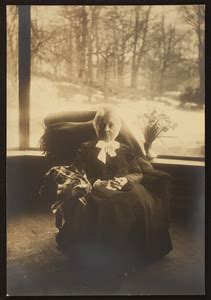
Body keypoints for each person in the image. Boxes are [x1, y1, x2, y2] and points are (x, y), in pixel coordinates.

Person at [54, 106, 173, 265]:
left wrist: (125, 180)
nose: (106, 129)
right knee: (112, 205)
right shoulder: (86, 148)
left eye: (111, 125)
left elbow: (137, 173)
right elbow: (78, 172)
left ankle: (137, 251)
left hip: (125, 187)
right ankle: (108, 256)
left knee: (138, 199)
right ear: (95, 126)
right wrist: (97, 183)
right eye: (101, 125)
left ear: (118, 127)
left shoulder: (125, 150)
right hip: (96, 189)